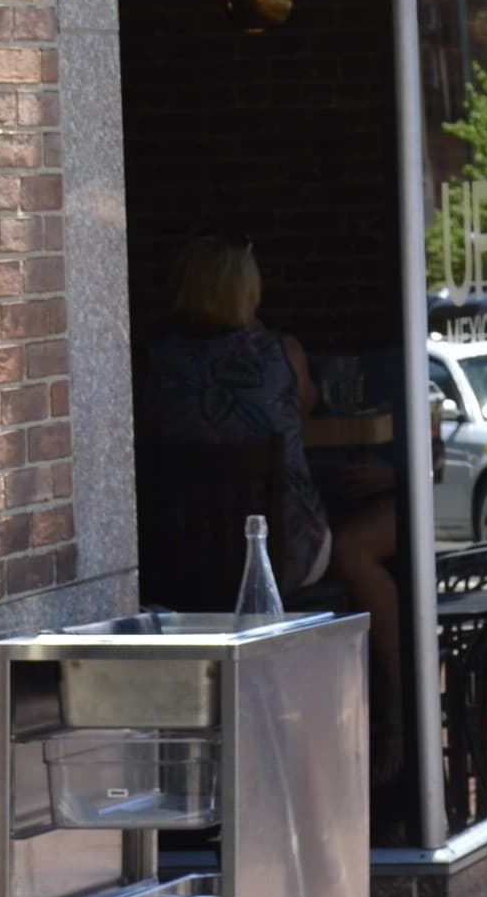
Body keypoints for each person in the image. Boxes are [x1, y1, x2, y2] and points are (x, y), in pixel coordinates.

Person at [139, 238, 406, 749]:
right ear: (246, 290)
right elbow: (305, 407)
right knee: (365, 537)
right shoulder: (280, 352)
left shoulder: (154, 362)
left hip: (182, 559)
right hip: (283, 553)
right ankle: (381, 720)